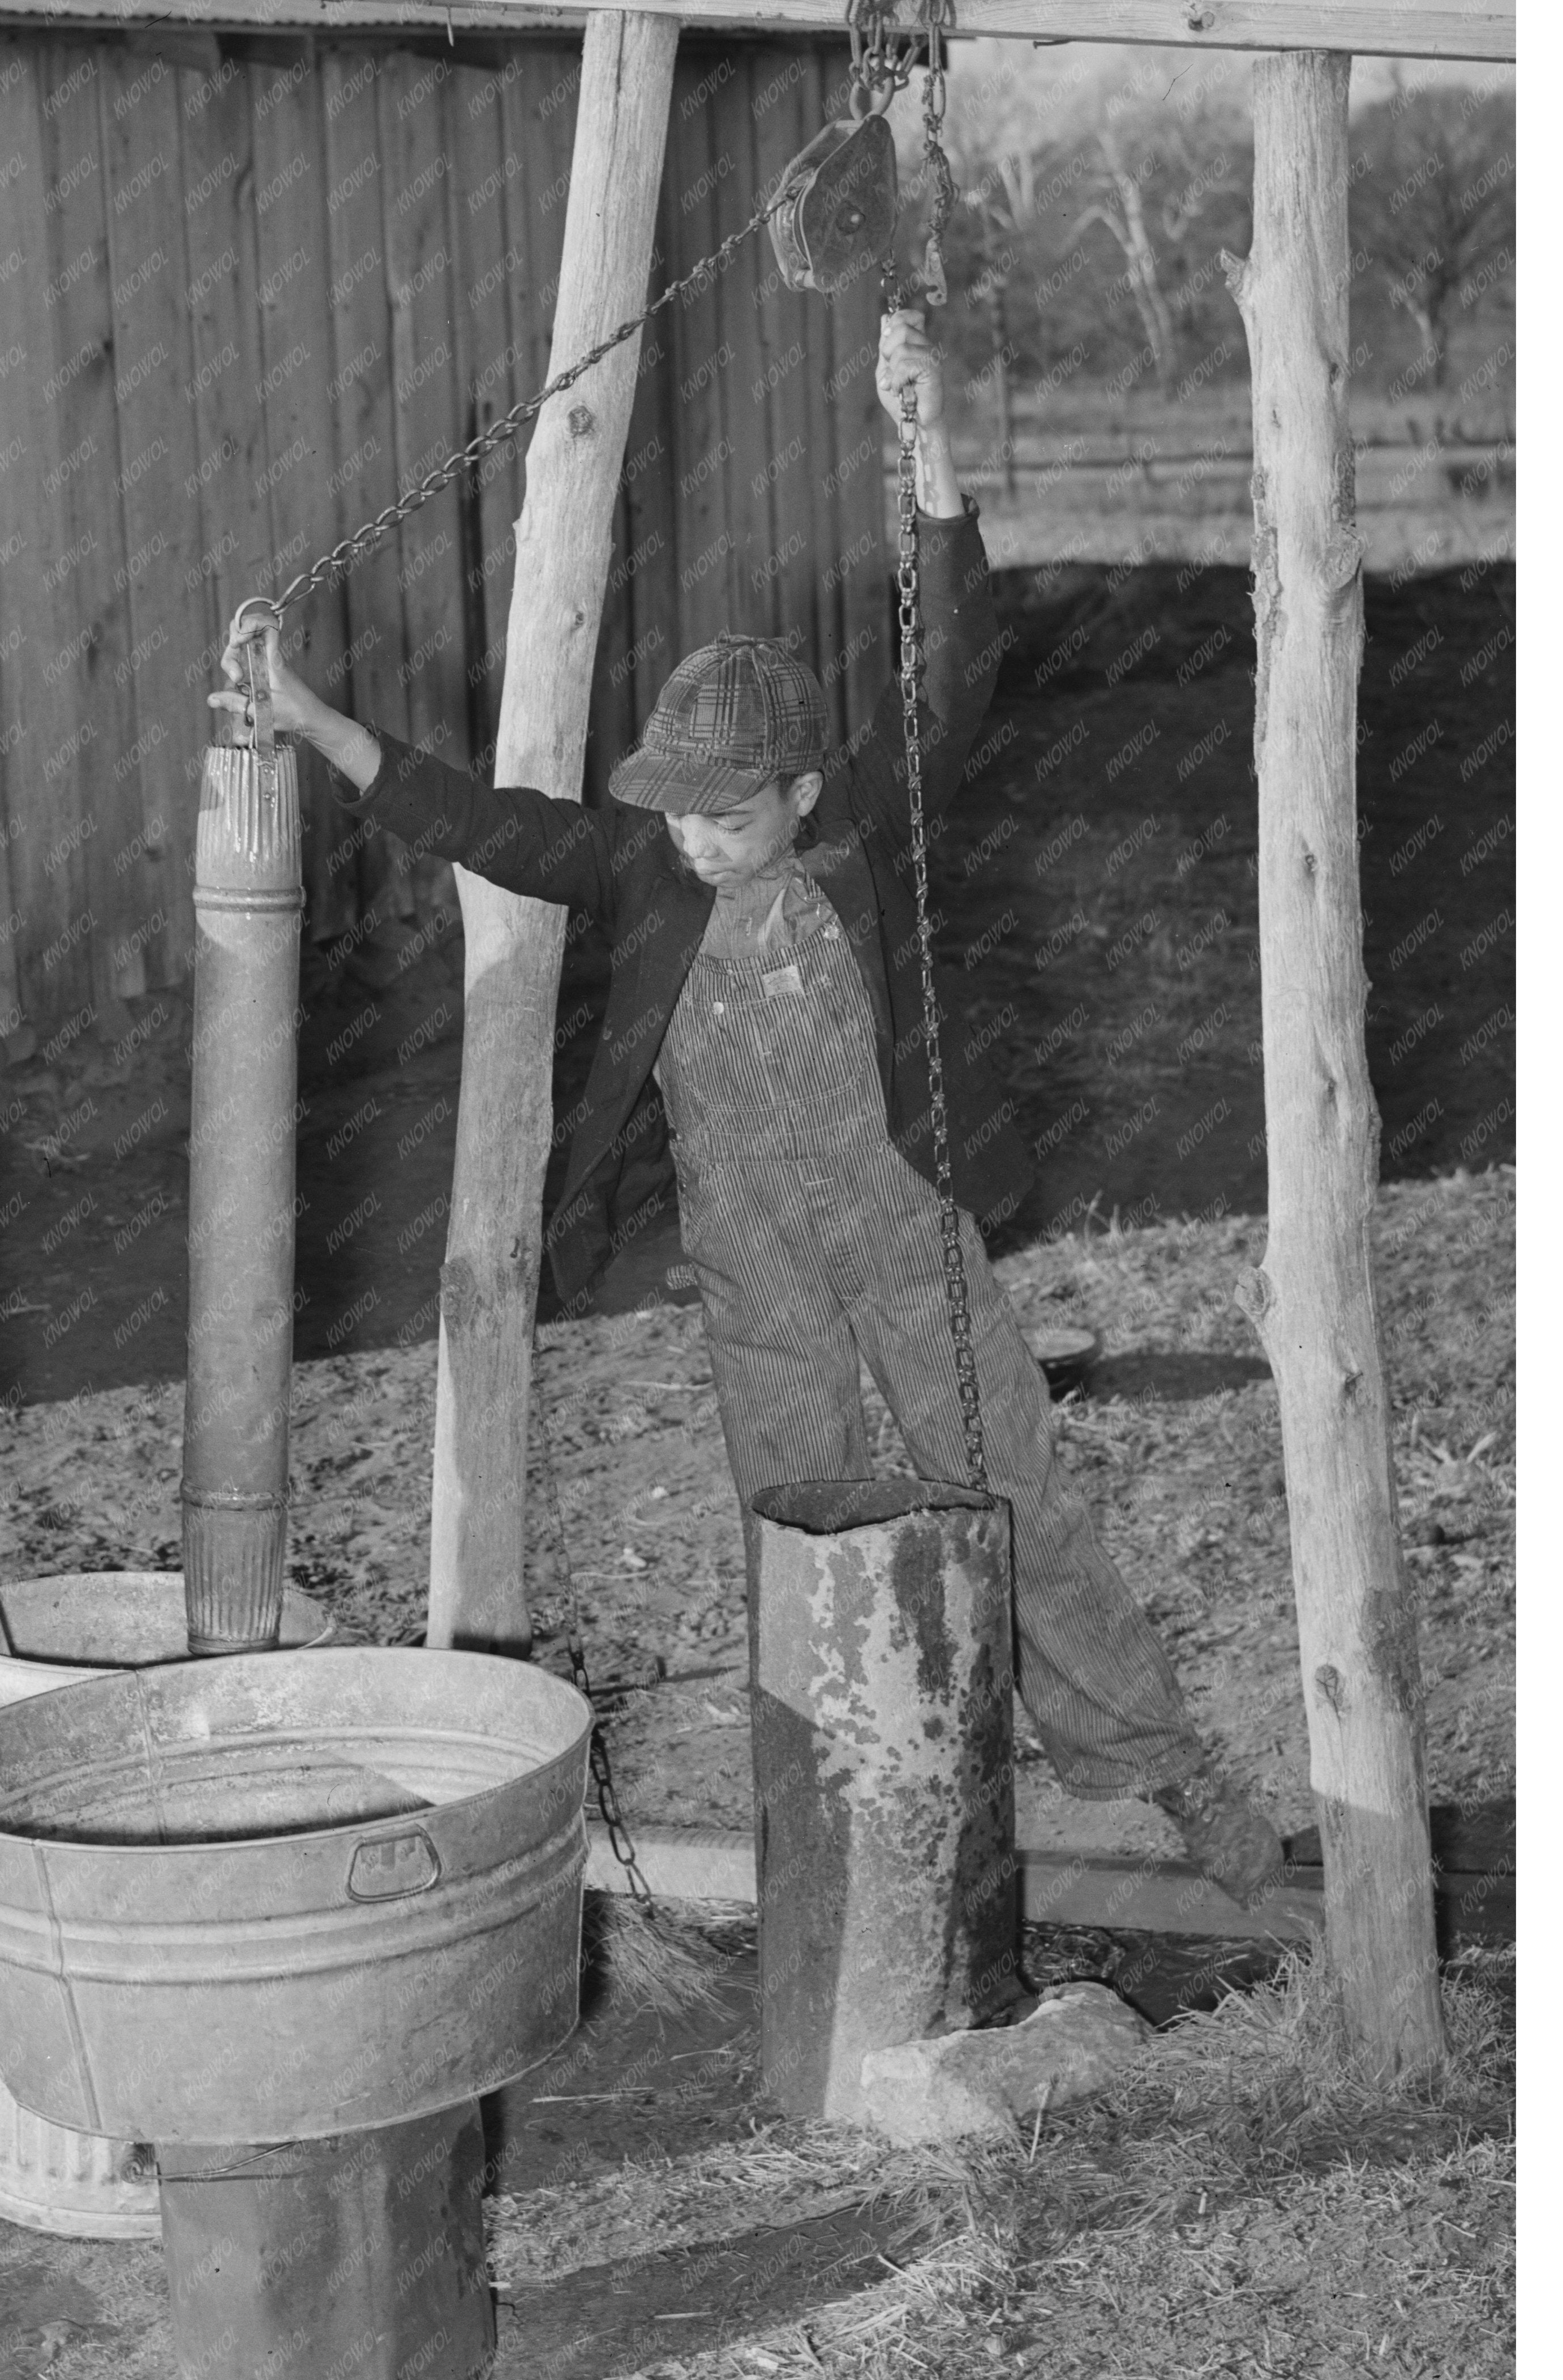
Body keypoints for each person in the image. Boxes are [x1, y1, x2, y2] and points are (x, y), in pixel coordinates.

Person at [218, 315, 1283, 1904]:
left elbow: (958, 671)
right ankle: (835, 1833)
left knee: (1008, 1489)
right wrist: (309, 725)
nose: (697, 838)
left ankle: (1158, 1767)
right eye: (675, 807)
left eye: (727, 812)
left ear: (798, 791)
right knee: (795, 1531)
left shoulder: (863, 827)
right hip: (750, 1257)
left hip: (902, 1216)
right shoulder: (639, 869)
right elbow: (483, 821)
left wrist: (929, 458)